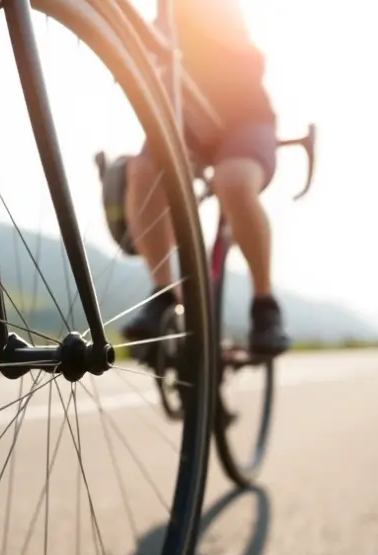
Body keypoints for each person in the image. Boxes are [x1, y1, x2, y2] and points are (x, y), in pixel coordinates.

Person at [121, 0, 291, 357]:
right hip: (186, 115)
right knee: (142, 171)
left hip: (246, 116)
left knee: (233, 181)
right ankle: (164, 294)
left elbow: (229, 34)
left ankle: (264, 305)